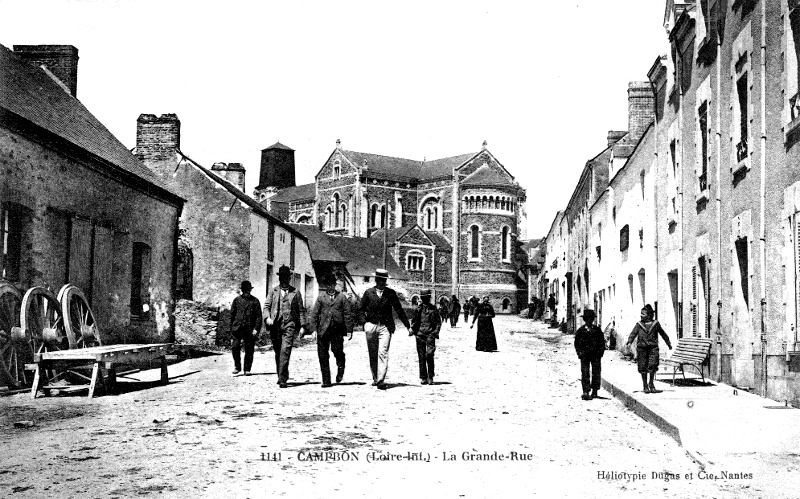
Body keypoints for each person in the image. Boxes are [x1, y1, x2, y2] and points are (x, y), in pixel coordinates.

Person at [359, 268, 411, 390]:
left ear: (385, 281)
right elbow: (360, 309)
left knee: (383, 352)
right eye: (379, 280)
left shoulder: (391, 293)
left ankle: (381, 380)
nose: (381, 283)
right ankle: (375, 378)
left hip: (385, 327)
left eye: (383, 280)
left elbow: (399, 310)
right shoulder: (368, 293)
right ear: (376, 280)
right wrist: (364, 323)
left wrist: (408, 326)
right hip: (371, 325)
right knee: (373, 353)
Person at [264, 265, 307, 388]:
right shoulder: (273, 291)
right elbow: (266, 306)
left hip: (289, 325)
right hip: (275, 326)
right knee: (278, 352)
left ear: (289, 278)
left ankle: (283, 379)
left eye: (286, 278)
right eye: (281, 277)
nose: (284, 280)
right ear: (279, 278)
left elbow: (301, 310)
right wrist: (267, 318)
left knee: (285, 351)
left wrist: (303, 326)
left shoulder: (296, 292)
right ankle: (281, 374)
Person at [309, 274, 353, 387]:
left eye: (332, 284)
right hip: (323, 330)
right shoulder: (321, 297)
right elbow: (314, 314)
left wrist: (349, 330)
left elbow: (348, 314)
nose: (330, 287)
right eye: (328, 285)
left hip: (337, 330)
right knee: (322, 355)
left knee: (337, 350)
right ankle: (326, 380)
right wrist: (313, 329)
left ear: (335, 285)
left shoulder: (342, 297)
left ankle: (341, 365)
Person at [625, 304, 672, 394]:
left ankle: (651, 383)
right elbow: (633, 333)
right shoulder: (639, 325)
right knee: (642, 367)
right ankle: (645, 385)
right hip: (641, 348)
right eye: (641, 314)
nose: (641, 316)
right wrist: (629, 341)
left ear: (649, 315)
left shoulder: (655, 324)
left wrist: (668, 343)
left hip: (653, 348)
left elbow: (663, 334)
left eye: (643, 314)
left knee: (653, 365)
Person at [229, 280, 263, 376]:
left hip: (249, 329)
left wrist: (256, 328)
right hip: (237, 328)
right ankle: (237, 367)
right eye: (244, 290)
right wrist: (231, 329)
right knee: (235, 347)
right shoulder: (237, 300)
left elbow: (258, 316)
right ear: (242, 290)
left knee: (249, 349)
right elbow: (231, 315)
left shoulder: (255, 301)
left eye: (247, 290)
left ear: (250, 290)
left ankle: (247, 369)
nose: (246, 292)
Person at [410, 289, 441, 385]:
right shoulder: (418, 309)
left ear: (429, 298)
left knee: (429, 355)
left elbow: (438, 322)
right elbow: (414, 321)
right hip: (420, 335)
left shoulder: (434, 309)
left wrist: (435, 332)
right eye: (423, 298)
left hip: (430, 335)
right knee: (421, 356)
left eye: (426, 298)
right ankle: (423, 377)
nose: (425, 300)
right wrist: (412, 329)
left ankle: (430, 376)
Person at [574, 309, 605, 400]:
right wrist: (579, 353)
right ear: (584, 320)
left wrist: (601, 352)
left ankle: (595, 390)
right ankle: (586, 391)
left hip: (595, 355)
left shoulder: (597, 330)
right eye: (587, 319)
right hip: (585, 355)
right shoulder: (581, 331)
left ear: (593, 320)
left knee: (596, 372)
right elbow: (577, 343)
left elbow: (602, 342)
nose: (589, 321)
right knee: (585, 372)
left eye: (591, 319)